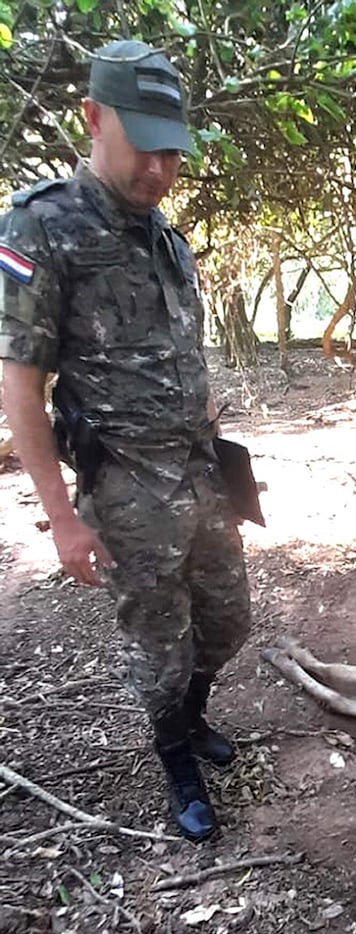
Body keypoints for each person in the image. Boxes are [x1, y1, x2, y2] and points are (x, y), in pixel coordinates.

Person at [0, 40, 252, 841]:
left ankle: (194, 717)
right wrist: (61, 519)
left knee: (228, 622)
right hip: (127, 490)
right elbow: (19, 383)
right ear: (93, 118)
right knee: (159, 647)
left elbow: (184, 358)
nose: (160, 168)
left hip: (200, 476)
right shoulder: (41, 227)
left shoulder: (167, 239)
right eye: (143, 144)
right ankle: (175, 757)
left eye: (172, 149)